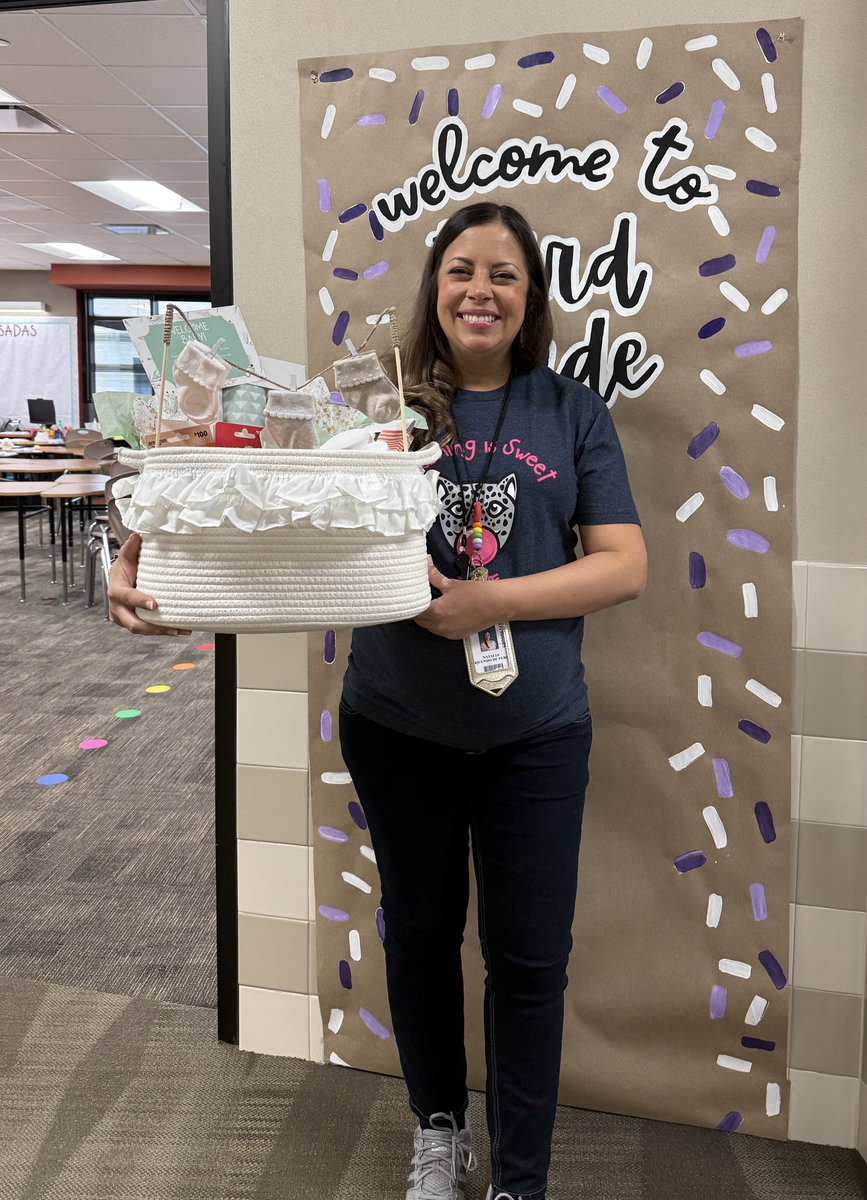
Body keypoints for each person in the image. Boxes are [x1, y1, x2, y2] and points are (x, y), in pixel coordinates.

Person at [108, 201, 647, 1200]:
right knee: (419, 935)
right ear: (434, 287)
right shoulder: (378, 408)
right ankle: (438, 1132)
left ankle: (519, 1180)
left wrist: (493, 600)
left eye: (504, 275)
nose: (480, 289)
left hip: (537, 734)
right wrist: (141, 553)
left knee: (531, 962)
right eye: (461, 270)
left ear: (528, 300)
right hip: (399, 725)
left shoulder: (569, 412)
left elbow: (623, 566)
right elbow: (255, 493)